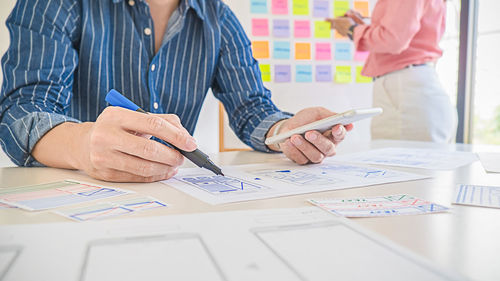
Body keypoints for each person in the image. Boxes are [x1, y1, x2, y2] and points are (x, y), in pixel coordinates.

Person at [0, 0, 352, 182]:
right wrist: (81, 145)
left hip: (173, 197)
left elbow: (253, 109)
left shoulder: (219, 18)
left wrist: (287, 131)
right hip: (74, 199)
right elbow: (23, 109)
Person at [327, 0, 456, 143]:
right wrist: (361, 28)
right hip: (415, 87)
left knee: (391, 160)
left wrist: (352, 29)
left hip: (404, 90)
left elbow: (394, 40)